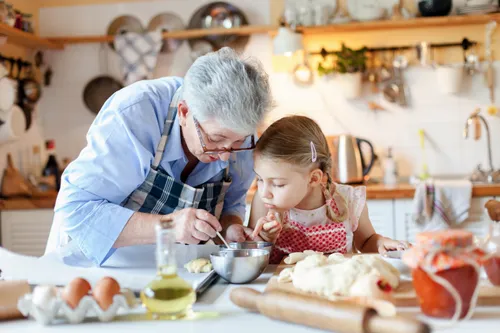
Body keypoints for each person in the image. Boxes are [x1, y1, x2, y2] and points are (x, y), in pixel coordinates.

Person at [46, 47, 274, 266]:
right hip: (92, 266)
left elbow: (231, 204)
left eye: (237, 143)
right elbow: (76, 210)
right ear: (185, 112)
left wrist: (231, 228)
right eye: (215, 139)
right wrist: (168, 226)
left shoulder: (243, 132)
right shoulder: (135, 114)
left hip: (169, 268)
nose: (226, 157)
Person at [249, 115, 410, 264]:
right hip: (284, 290)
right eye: (260, 180)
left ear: (313, 178)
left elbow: (367, 241)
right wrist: (265, 239)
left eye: (278, 184)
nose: (265, 193)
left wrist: (381, 243)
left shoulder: (348, 199)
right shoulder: (264, 203)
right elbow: (251, 256)